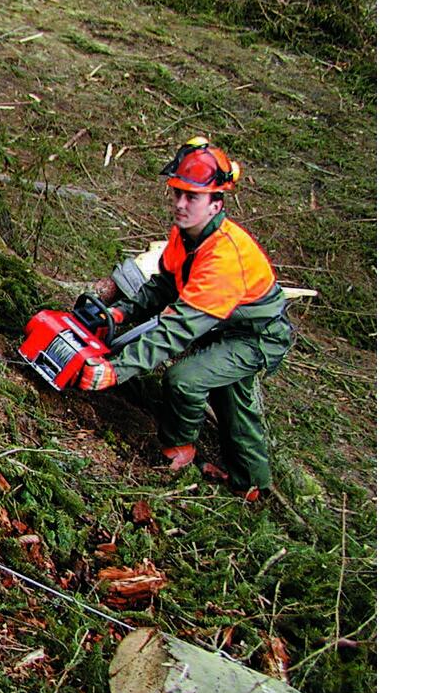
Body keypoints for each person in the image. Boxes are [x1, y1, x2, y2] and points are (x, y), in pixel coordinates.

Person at [77, 137, 293, 501]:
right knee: (235, 402)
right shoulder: (185, 235)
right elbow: (164, 285)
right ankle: (251, 483)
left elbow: (176, 331)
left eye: (192, 197)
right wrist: (120, 313)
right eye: (177, 193)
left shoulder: (224, 257)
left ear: (215, 203)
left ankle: (179, 448)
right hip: (222, 323)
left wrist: (117, 369)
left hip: (254, 336)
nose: (180, 204)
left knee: (185, 380)